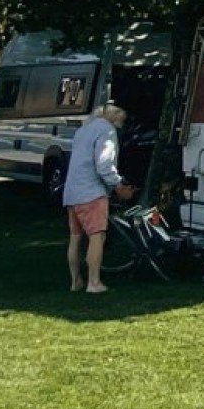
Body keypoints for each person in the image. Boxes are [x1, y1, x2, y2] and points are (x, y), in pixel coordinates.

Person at [64, 102, 136, 293]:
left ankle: (76, 281)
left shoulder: (83, 130)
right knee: (97, 237)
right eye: (122, 116)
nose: (123, 120)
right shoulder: (107, 131)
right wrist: (118, 184)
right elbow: (104, 164)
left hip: (72, 191)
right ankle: (94, 283)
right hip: (92, 192)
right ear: (114, 115)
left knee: (75, 238)